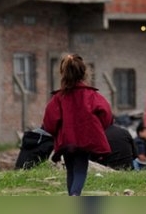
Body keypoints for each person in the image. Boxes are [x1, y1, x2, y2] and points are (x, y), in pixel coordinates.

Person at [42, 54, 113, 196]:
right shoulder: (91, 95)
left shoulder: (58, 98)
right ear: (84, 73)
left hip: (66, 141)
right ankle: (75, 195)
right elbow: (106, 115)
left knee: (70, 169)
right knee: (80, 169)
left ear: (63, 73)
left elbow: (49, 122)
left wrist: (57, 132)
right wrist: (97, 129)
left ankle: (72, 196)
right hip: (85, 139)